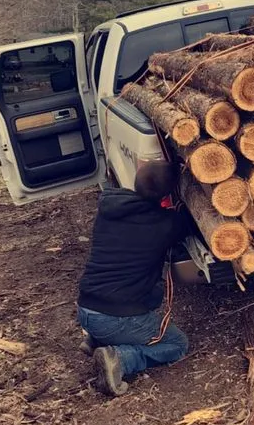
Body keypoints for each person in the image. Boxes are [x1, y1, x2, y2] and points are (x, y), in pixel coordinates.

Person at [77, 161, 189, 396]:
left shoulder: (109, 209)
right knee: (178, 344)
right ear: (168, 192)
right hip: (115, 318)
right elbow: (186, 222)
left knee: (133, 301)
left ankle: (96, 339)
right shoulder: (166, 224)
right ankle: (121, 360)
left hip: (86, 308)